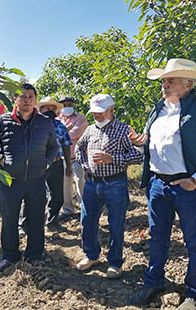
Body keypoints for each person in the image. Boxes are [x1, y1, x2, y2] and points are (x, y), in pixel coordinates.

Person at [127, 59, 196, 309]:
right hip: (157, 184)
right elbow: (155, 146)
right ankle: (153, 282)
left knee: (194, 240)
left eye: (170, 80)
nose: (165, 84)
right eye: (164, 80)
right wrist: (140, 143)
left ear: (188, 83)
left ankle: (195, 293)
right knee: (157, 237)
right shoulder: (158, 109)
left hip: (185, 186)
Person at [0, 84, 59, 271]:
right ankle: (10, 255)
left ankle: (35, 254)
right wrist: (1, 161)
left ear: (35, 100)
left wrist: (46, 162)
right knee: (9, 219)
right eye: (23, 97)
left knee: (36, 218)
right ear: (16, 100)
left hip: (36, 179)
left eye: (30, 96)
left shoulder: (44, 122)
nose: (27, 100)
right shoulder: (3, 121)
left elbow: (54, 147)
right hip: (11, 180)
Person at [74, 94, 143, 279]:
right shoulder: (90, 130)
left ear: (111, 110)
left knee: (116, 224)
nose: (96, 115)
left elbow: (138, 157)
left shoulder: (123, 130)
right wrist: (85, 165)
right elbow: (78, 148)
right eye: (94, 112)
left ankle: (115, 262)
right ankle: (91, 255)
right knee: (87, 221)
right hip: (92, 183)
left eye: (100, 112)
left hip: (115, 183)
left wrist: (112, 159)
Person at [35, 97, 73, 232]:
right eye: (47, 108)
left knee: (57, 196)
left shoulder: (60, 126)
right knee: (33, 196)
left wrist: (68, 166)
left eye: (52, 108)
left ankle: (52, 222)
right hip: (37, 165)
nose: (50, 111)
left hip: (56, 164)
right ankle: (25, 225)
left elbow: (67, 145)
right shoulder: (33, 125)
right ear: (40, 110)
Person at [57, 96, 88, 221]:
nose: (66, 107)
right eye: (64, 105)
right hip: (63, 158)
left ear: (74, 106)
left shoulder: (81, 118)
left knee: (80, 181)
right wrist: (65, 132)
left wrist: (62, 132)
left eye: (69, 104)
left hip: (78, 157)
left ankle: (84, 209)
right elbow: (55, 135)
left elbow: (75, 133)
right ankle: (68, 210)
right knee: (65, 185)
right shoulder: (57, 119)